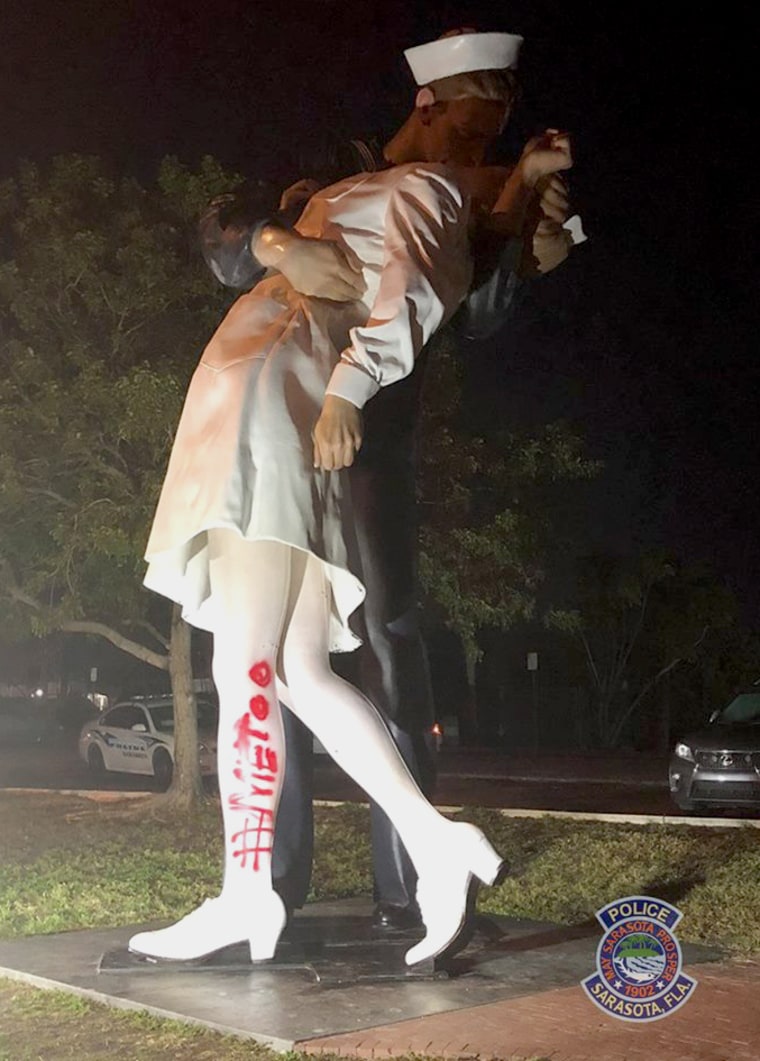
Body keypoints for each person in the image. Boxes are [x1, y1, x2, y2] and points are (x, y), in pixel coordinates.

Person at [196, 28, 579, 933]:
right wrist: (276, 240)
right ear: (426, 103)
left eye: (494, 141)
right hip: (291, 401)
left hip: (372, 421)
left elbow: (471, 311)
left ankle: (405, 879)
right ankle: (275, 880)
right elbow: (222, 234)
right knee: (280, 661)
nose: (478, 152)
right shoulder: (335, 169)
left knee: (381, 639)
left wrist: (527, 213)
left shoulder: (462, 195)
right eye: (470, 129)